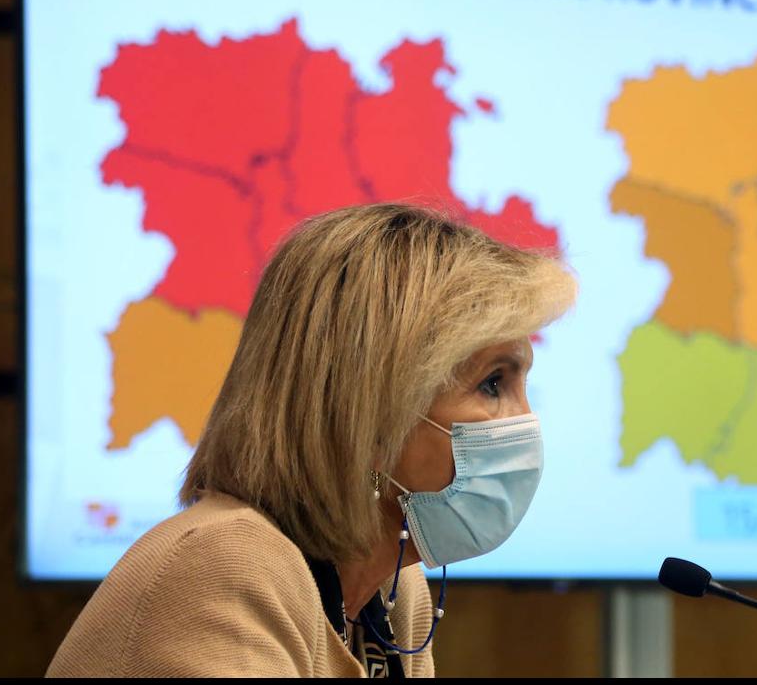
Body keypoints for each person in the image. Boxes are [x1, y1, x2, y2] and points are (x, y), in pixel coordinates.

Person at [46, 204, 577, 677]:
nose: (524, 420)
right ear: (370, 408)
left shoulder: (391, 596)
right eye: (492, 384)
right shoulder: (224, 566)